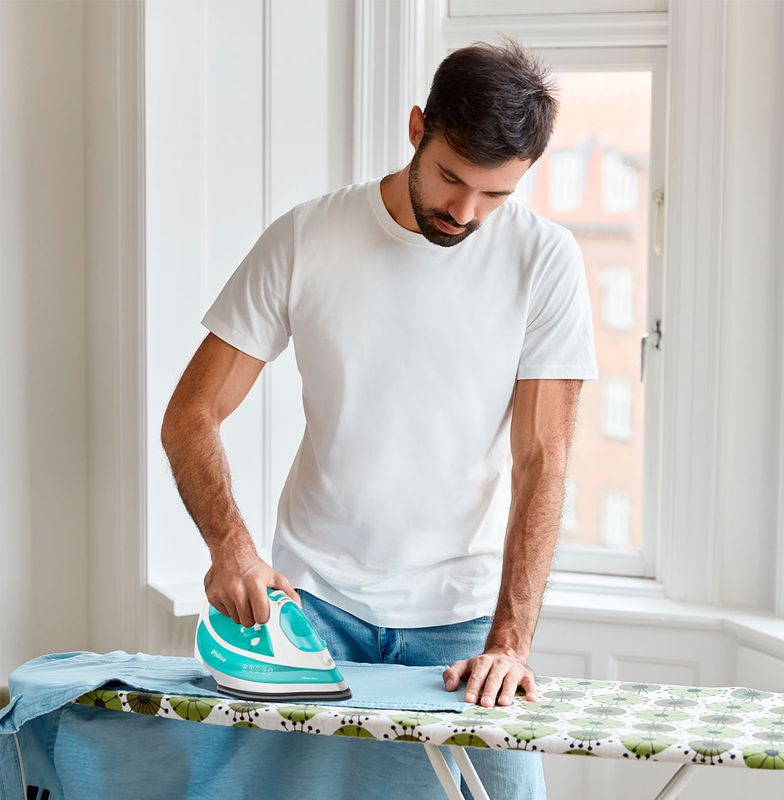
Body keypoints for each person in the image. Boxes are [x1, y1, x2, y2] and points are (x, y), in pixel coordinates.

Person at [161, 37, 597, 800]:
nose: (465, 213)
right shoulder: (307, 237)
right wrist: (232, 550)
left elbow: (542, 462)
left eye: (495, 195)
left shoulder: (545, 261)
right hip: (314, 607)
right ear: (416, 128)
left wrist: (510, 641)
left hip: (464, 623)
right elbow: (191, 414)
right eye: (451, 178)